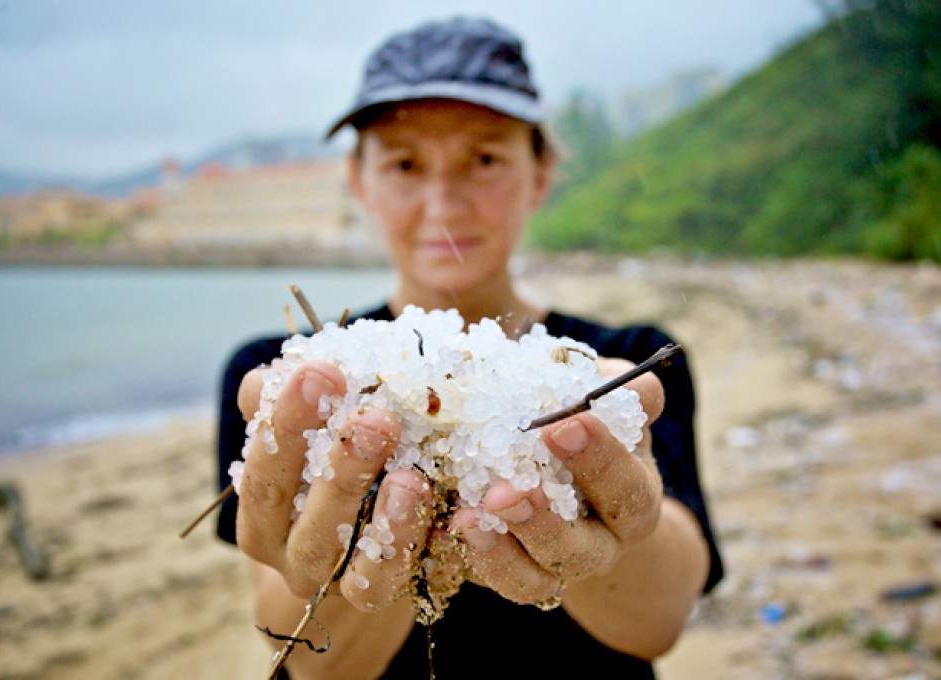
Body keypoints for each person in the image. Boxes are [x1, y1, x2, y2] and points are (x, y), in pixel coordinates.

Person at [216, 16, 723, 679]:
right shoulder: (294, 380)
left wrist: (611, 529)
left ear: (541, 174)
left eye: (483, 160)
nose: (444, 202)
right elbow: (318, 665)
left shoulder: (621, 361)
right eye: (404, 163)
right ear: (360, 181)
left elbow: (658, 623)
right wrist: (363, 555)